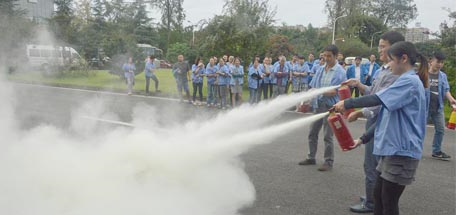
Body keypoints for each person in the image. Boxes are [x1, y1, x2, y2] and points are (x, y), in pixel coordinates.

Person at [334, 41, 428, 215]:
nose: (388, 64)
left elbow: (375, 99)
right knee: (378, 196)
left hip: (402, 152)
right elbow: (383, 118)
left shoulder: (409, 82)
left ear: (403, 59)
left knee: (388, 202)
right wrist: (363, 139)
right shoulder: (404, 81)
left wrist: (347, 103)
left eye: (391, 60)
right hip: (391, 151)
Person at [342, 31, 404, 213]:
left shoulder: (395, 75)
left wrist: (359, 112)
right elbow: (373, 92)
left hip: (380, 125)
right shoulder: (381, 70)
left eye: (383, 46)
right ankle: (372, 195)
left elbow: (380, 101)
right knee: (374, 165)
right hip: (374, 123)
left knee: (372, 165)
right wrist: (359, 85)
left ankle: (371, 202)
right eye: (379, 46)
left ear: (395, 49)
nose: (379, 50)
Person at [298, 45, 346, 171]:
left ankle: (328, 161)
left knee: (327, 136)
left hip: (332, 107)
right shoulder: (320, 69)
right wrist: (309, 97)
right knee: (312, 132)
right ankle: (311, 157)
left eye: (329, 56)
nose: (326, 58)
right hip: (318, 105)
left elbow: (334, 92)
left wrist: (318, 91)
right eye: (324, 55)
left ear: (336, 56)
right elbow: (313, 85)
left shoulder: (340, 72)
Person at [428, 51, 456, 160]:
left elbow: (446, 90)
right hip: (424, 108)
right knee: (418, 129)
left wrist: (451, 100)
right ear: (431, 61)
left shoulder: (442, 76)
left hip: (438, 107)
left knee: (440, 129)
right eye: (438, 62)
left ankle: (436, 151)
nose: (440, 64)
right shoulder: (423, 73)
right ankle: (413, 149)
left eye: (442, 62)